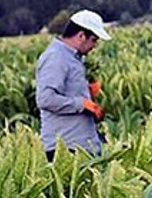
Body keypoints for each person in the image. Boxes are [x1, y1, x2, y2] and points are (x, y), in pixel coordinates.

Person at [36, 10, 111, 161]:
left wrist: (88, 92)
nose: (95, 45)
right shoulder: (56, 57)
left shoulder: (72, 57)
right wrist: (82, 104)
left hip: (82, 146)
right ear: (81, 36)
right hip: (64, 150)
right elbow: (45, 99)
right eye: (94, 40)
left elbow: (66, 93)